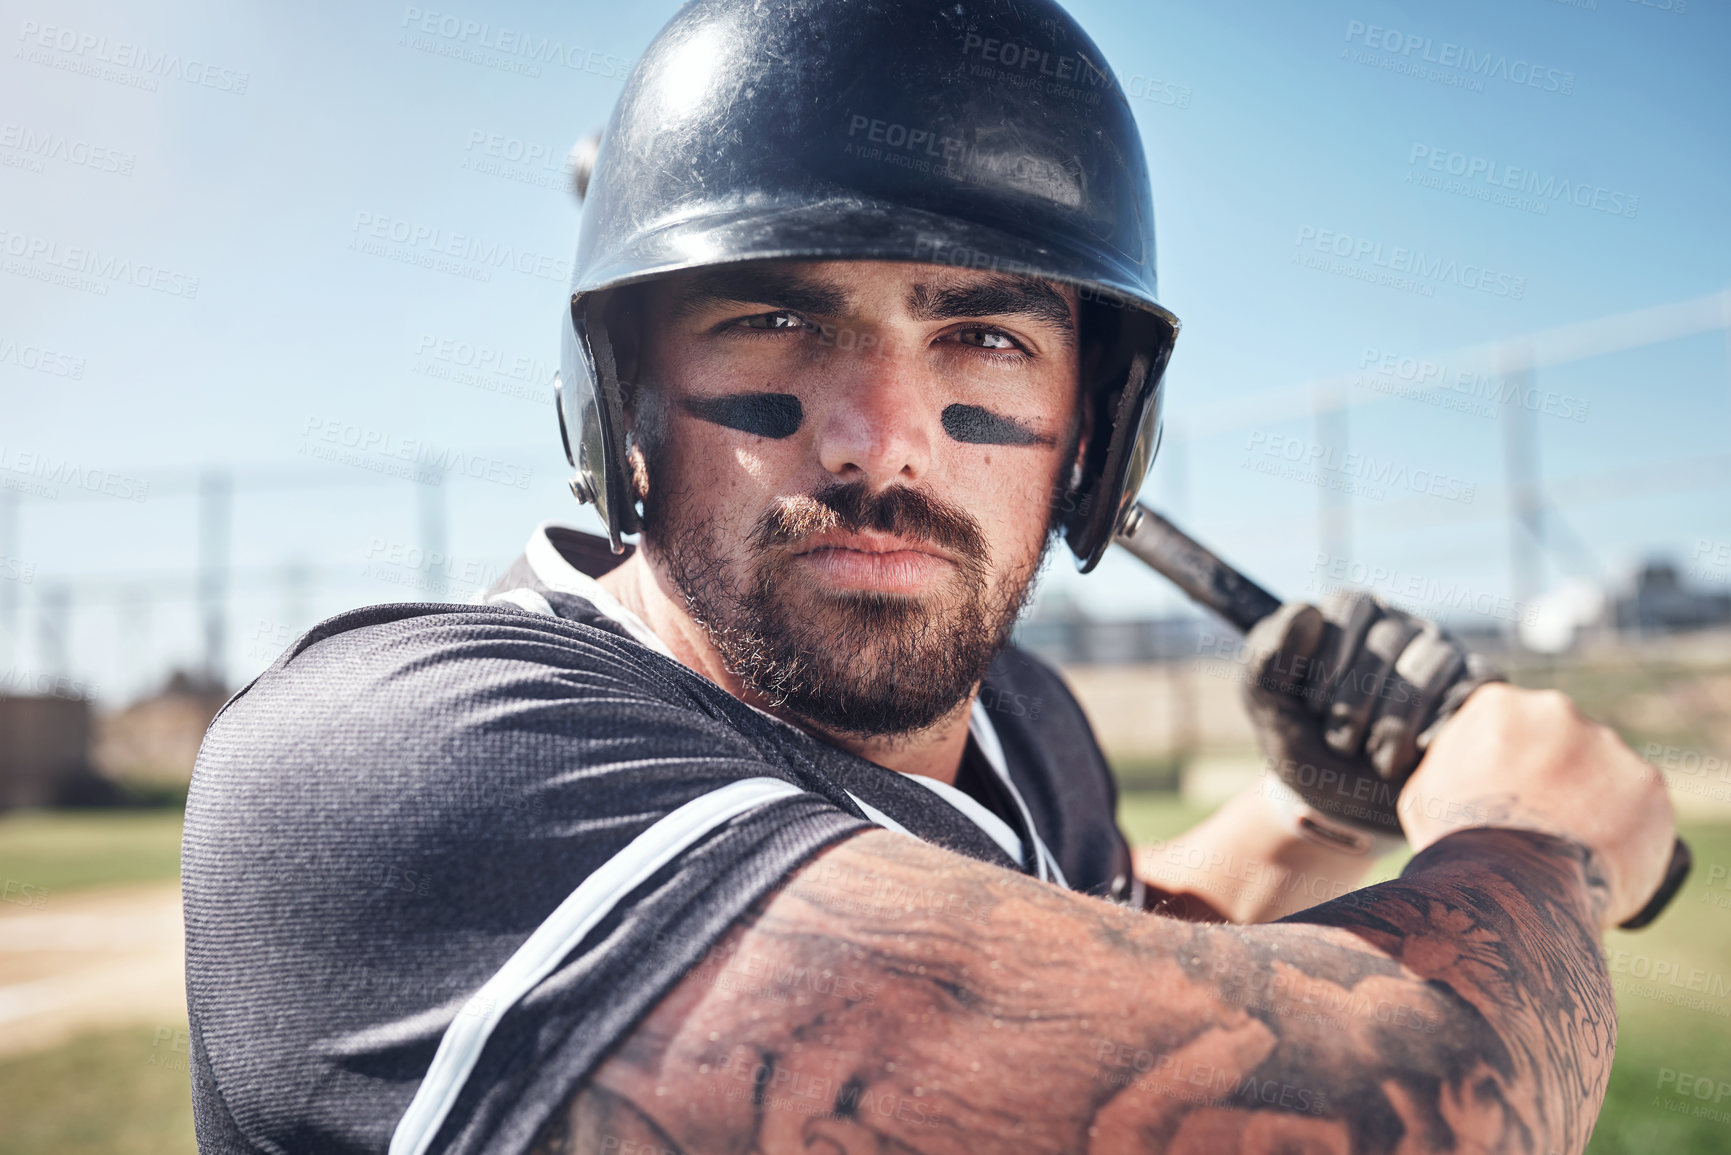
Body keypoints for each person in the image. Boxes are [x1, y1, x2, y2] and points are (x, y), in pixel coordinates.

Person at [181, 0, 1677, 1152]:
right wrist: (1538, 845)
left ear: (1095, 434)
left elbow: (1086, 959)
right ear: (619, 398)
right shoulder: (405, 771)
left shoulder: (1020, 724)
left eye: (985, 337)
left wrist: (1309, 814)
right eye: (774, 320)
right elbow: (1395, 1109)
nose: (880, 444)